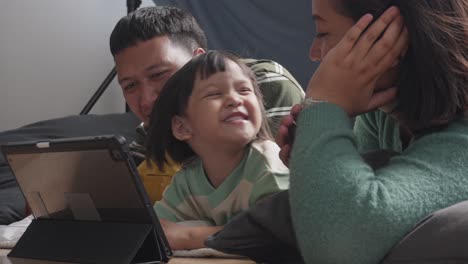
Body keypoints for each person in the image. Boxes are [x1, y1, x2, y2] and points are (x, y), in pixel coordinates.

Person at [276, 0, 468, 263]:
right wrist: (315, 155)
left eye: (322, 33)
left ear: (389, 34)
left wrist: (324, 104)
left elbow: (340, 245)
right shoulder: (381, 116)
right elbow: (340, 201)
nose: (314, 53)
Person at [109, 6, 304, 203]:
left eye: (158, 74)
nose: (147, 100)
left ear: (198, 59)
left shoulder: (260, 87)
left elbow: (282, 216)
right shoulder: (151, 133)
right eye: (130, 86)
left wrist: (186, 234)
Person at [145, 50, 289, 250]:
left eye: (244, 90)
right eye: (214, 94)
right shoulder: (188, 181)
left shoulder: (268, 165)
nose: (235, 99)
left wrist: (188, 236)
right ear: (182, 127)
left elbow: (279, 235)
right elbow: (160, 230)